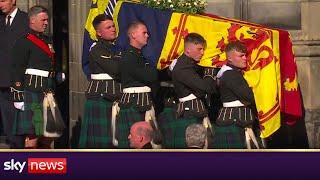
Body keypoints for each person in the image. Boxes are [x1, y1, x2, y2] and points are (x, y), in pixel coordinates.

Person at [10, 5, 65, 149]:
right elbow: (17, 68)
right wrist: (18, 95)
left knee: (49, 135)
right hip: (31, 91)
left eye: (47, 20)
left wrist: (58, 73)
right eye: (43, 20)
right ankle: (30, 168)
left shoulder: (48, 41)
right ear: (32, 20)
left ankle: (45, 167)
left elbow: (51, 64)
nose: (46, 23)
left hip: (47, 92)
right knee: (33, 135)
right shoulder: (24, 41)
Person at [78, 14, 122, 148]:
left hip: (117, 97)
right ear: (99, 33)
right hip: (101, 98)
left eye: (113, 25)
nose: (113, 29)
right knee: (100, 143)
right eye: (108, 27)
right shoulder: (96, 49)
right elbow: (116, 69)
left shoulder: (119, 49)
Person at [171, 33, 217, 148]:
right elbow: (207, 88)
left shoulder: (189, 64)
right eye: (199, 49)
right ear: (188, 50)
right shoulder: (183, 68)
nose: (202, 53)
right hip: (190, 113)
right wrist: (209, 72)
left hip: (194, 110)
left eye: (203, 49)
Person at [117, 21, 158, 148]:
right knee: (134, 143)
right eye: (144, 32)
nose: (147, 35)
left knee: (145, 143)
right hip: (134, 103)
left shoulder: (140, 56)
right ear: (133, 35)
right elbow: (151, 76)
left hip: (141, 102)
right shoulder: (129, 57)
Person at [213, 41, 260, 149]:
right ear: (230, 58)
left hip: (237, 122)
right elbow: (249, 96)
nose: (245, 58)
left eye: (245, 55)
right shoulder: (230, 74)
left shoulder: (234, 73)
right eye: (241, 56)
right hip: (233, 122)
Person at [0, 0, 29, 148]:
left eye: (3, 0)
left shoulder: (26, 20)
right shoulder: (1, 20)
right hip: (3, 82)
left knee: (22, 127)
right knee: (9, 126)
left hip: (21, 82)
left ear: (13, 1)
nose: (0, 4)